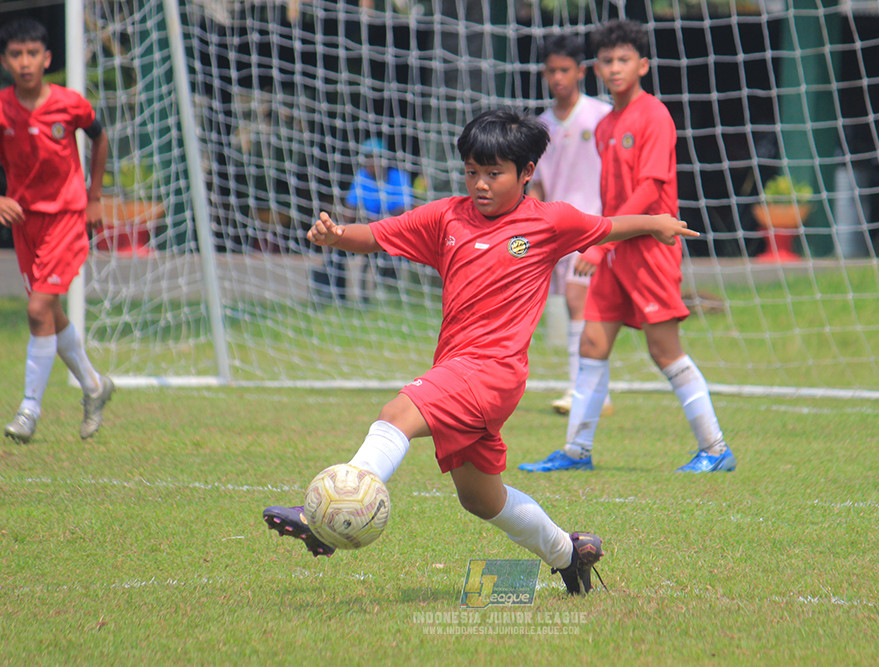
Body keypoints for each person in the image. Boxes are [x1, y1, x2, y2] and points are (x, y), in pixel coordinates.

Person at [262, 108, 699, 595]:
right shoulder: (446, 216)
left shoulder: (549, 222)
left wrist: (657, 223)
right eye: (473, 172)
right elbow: (382, 235)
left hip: (493, 373)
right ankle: (569, 554)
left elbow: (607, 225)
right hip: (456, 368)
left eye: (495, 173)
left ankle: (332, 510)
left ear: (527, 173)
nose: (481, 184)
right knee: (480, 499)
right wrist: (337, 235)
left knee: (396, 411)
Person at [520, 19, 734, 474]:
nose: (614, 69)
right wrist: (603, 238)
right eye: (607, 61)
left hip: (648, 249)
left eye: (623, 61)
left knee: (664, 350)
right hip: (616, 249)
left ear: (643, 65)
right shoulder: (606, 124)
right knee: (593, 343)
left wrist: (599, 241)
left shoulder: (653, 114)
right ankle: (577, 451)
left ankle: (715, 449)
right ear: (595, 67)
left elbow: (649, 189)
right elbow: (610, 192)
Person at [0, 18, 114, 444]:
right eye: (16, 54)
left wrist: (95, 195)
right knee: (48, 311)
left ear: (47, 59)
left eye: (32, 54)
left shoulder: (70, 104)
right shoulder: (2, 107)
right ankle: (94, 386)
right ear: (5, 61)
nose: (25, 62)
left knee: (35, 311)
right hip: (25, 223)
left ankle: (29, 409)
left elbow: (99, 139)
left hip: (66, 218)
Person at [529, 32, 614, 416]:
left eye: (564, 70)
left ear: (580, 72)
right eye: (551, 71)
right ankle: (594, 391)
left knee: (581, 304)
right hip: (557, 231)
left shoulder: (600, 116)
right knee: (574, 307)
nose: (557, 78)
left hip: (594, 229)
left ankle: (583, 390)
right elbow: (540, 186)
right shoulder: (541, 126)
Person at [326, 137, 413, 303]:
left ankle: (390, 293)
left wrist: (379, 221)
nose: (372, 163)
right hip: (369, 231)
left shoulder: (398, 177)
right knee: (336, 249)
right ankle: (337, 296)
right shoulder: (362, 178)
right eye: (368, 159)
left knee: (390, 253)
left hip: (392, 232)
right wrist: (339, 232)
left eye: (375, 158)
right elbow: (350, 209)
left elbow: (404, 210)